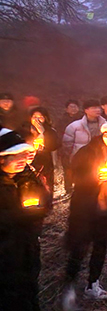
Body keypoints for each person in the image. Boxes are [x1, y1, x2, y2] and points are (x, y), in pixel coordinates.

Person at [61, 114, 107, 310]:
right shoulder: (87, 151)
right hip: (86, 209)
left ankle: (93, 283)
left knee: (100, 247)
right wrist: (94, 178)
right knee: (79, 248)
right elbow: (75, 175)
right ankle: (69, 286)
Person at [0, 129, 48, 311]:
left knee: (29, 288)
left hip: (28, 247)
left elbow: (44, 202)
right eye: (15, 155)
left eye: (23, 154)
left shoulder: (27, 177)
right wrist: (21, 216)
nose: (22, 159)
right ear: (2, 158)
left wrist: (39, 210)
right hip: (5, 254)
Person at [21, 107, 60, 204]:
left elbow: (53, 146)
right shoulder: (24, 130)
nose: (37, 120)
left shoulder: (50, 131)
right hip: (27, 162)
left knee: (45, 186)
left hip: (44, 164)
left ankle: (46, 205)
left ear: (45, 118)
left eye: (40, 117)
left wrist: (43, 133)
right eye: (34, 117)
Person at [57, 100, 82, 196]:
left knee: (80, 169)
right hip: (66, 149)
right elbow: (59, 134)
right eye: (71, 107)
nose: (73, 109)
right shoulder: (62, 121)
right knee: (67, 170)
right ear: (66, 109)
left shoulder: (82, 119)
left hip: (80, 148)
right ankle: (68, 189)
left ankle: (79, 188)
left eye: (75, 107)